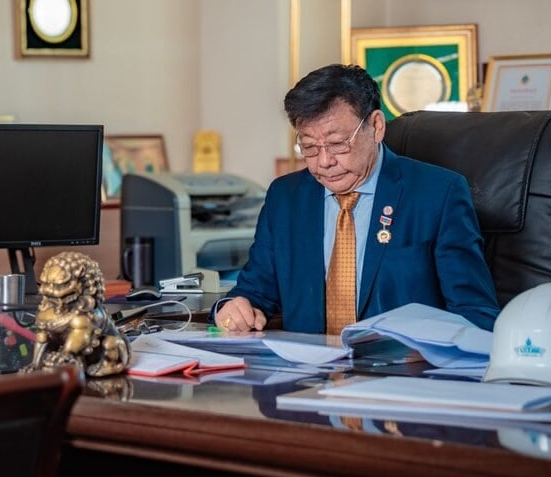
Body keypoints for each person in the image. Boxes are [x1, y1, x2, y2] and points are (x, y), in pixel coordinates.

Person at [214, 64, 500, 334]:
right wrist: (234, 309)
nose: (324, 162)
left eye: (338, 144)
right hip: (308, 377)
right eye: (309, 147)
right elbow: (252, 293)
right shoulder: (286, 198)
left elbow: (476, 313)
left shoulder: (438, 193)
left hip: (402, 376)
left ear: (376, 126)